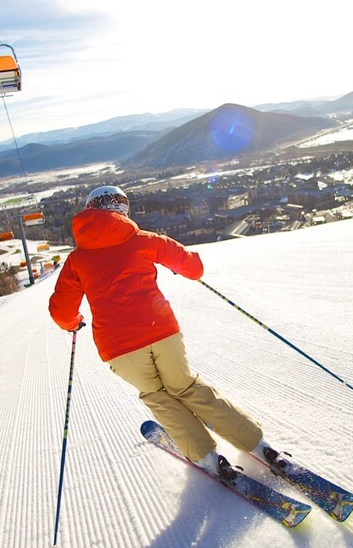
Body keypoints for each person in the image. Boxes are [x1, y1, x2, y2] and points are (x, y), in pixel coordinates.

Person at [48, 186, 284, 480]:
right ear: (122, 209)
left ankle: (207, 459)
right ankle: (259, 446)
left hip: (118, 346)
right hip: (160, 330)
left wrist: (73, 322)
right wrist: (176, 267)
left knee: (157, 395)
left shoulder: (76, 260)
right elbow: (193, 267)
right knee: (185, 386)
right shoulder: (141, 240)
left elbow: (61, 311)